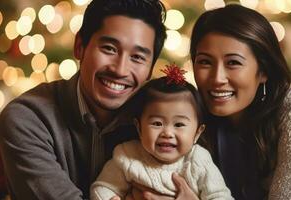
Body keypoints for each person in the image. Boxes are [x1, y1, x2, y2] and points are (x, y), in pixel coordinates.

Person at [0, 0, 167, 199]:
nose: (120, 70)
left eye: (137, 57)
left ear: (150, 71)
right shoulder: (26, 119)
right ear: (79, 47)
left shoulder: (162, 123)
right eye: (109, 49)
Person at [188, 4, 291, 200]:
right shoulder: (191, 114)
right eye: (205, 62)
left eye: (233, 62)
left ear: (264, 71)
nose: (217, 78)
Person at [91, 65, 233, 200]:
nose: (167, 133)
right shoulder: (127, 155)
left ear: (197, 133)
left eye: (179, 124)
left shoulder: (198, 161)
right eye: (157, 123)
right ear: (139, 127)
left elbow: (220, 196)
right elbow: (103, 187)